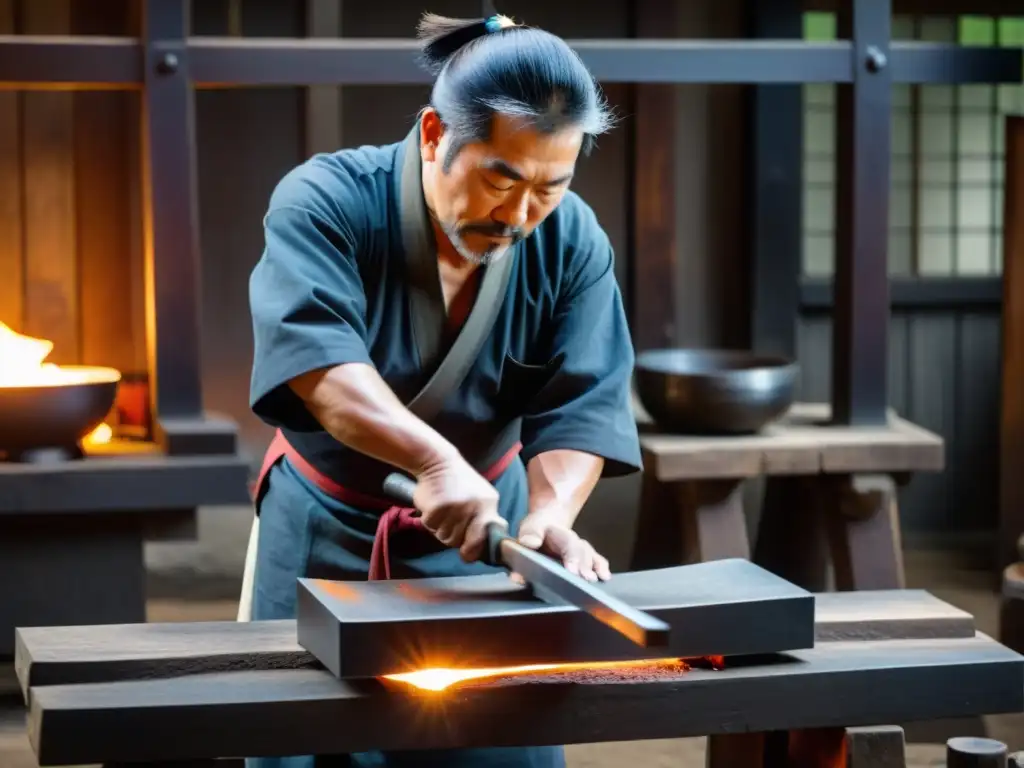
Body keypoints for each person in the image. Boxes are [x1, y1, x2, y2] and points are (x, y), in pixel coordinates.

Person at [243, 11, 642, 768]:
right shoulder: (325, 202)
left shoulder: (573, 239)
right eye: (502, 177)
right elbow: (322, 370)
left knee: (502, 746)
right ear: (434, 135)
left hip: (487, 547)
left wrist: (551, 515)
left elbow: (583, 402)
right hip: (324, 532)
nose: (522, 215)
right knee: (296, 743)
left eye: (550, 187)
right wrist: (432, 462)